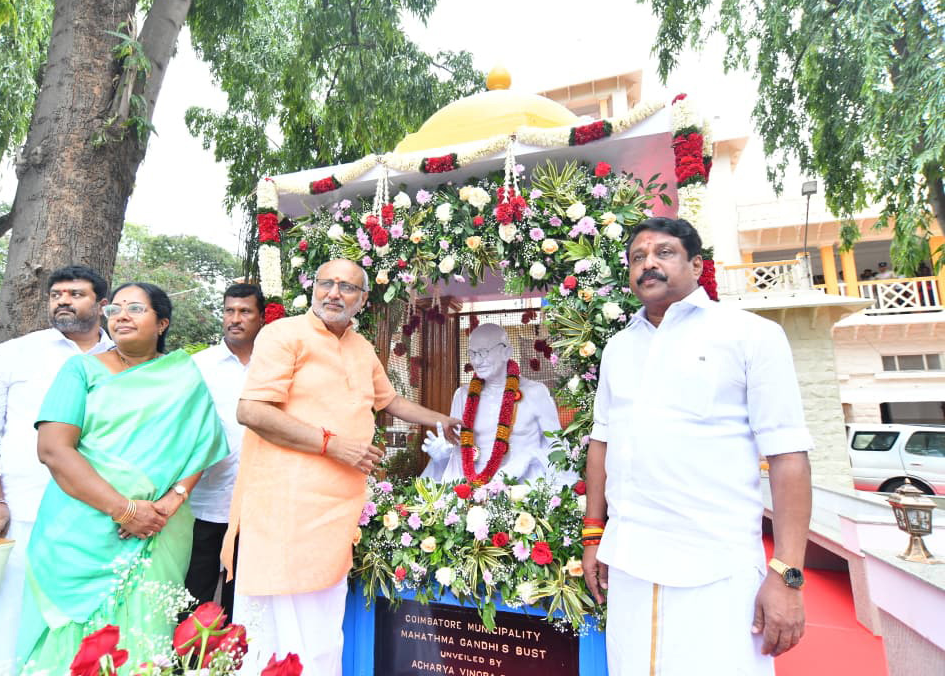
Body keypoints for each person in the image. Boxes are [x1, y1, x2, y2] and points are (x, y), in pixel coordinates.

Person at [582, 217, 813, 675]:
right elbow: (602, 444)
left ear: (697, 264)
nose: (648, 264)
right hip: (627, 562)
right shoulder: (618, 349)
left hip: (715, 568)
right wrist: (594, 536)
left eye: (664, 253)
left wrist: (788, 574)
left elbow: (788, 456)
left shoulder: (750, 335)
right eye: (637, 257)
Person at [225, 259, 462, 676]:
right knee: (278, 631)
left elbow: (387, 400)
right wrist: (333, 445)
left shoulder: (361, 345)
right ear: (313, 288)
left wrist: (440, 420)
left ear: (363, 300)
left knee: (321, 631)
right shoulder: (284, 334)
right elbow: (252, 410)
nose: (335, 293)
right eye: (327, 283)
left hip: (336, 511)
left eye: (347, 287)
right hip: (285, 506)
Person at [16, 282, 229, 674]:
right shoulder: (79, 370)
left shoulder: (183, 376)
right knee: (72, 639)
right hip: (81, 525)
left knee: (147, 635)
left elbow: (205, 442)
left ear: (162, 322)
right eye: (114, 310)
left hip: (161, 528)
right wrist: (125, 510)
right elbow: (53, 450)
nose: (122, 316)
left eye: (136, 308)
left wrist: (173, 500)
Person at [0, 265, 115, 676]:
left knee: (81, 619)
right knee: (10, 616)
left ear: (102, 304)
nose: (62, 301)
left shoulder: (122, 359)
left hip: (98, 514)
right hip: (24, 507)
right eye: (56, 294)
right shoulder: (15, 353)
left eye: (75, 294)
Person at [185, 282, 264, 621]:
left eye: (245, 311)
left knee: (243, 595)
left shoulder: (273, 365)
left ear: (260, 318)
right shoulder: (199, 366)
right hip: (206, 497)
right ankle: (187, 666)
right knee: (195, 591)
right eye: (229, 311)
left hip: (257, 500)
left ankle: (234, 662)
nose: (235, 319)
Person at [421, 323, 576, 486]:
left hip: (523, 490)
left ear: (506, 352)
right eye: (472, 354)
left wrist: (528, 457)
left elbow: (559, 448)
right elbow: (461, 452)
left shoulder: (535, 393)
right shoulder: (463, 395)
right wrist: (443, 456)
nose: (477, 361)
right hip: (472, 489)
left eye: (483, 352)